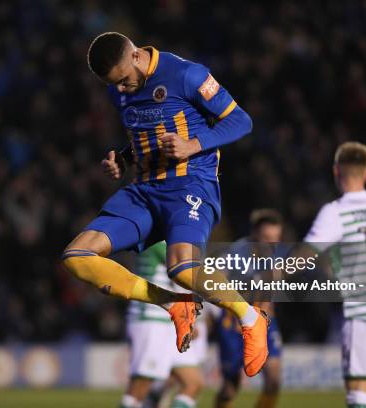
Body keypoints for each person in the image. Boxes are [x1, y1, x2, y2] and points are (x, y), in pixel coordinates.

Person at [62, 31, 268, 377]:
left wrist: (192, 145)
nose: (122, 90)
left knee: (182, 267)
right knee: (77, 257)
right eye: (115, 86)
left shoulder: (187, 75)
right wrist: (124, 159)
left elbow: (240, 121)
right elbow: (146, 132)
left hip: (191, 185)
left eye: (125, 81)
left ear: (136, 57)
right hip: (144, 191)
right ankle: (172, 304)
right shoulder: (121, 87)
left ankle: (251, 318)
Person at [303, 142, 366, 408]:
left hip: (364, 310)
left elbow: (306, 253)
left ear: (336, 170)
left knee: (359, 388)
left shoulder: (336, 211)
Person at [121, 242, 207, 408]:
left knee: (193, 383)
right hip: (150, 319)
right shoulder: (157, 242)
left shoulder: (170, 240)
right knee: (139, 388)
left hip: (169, 321)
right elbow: (182, 273)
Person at [215, 209, 284, 408]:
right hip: (234, 320)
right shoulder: (236, 253)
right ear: (254, 236)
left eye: (276, 238)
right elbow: (214, 282)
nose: (272, 244)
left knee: (274, 380)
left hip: (263, 319)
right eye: (267, 238)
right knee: (231, 385)